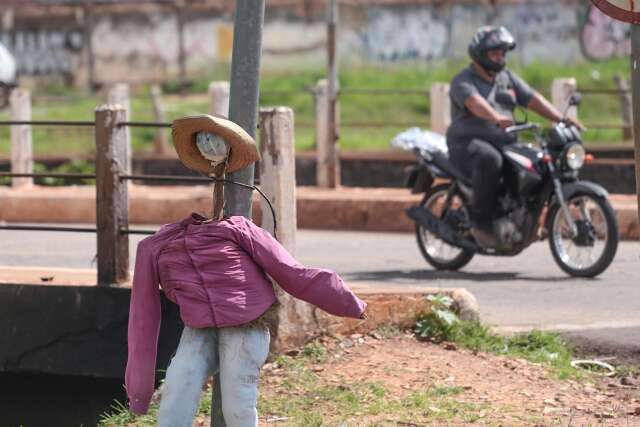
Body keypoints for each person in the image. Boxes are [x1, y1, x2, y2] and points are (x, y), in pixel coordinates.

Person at [125, 114, 367, 427]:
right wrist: (139, 393)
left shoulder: (238, 229)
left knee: (239, 406)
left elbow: (291, 272)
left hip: (246, 324)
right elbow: (142, 320)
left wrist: (349, 303)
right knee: (176, 392)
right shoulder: (155, 247)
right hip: (198, 328)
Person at [446, 25, 582, 249]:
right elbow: (474, 103)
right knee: (490, 160)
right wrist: (496, 117)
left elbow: (532, 98)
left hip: (504, 141)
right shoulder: (463, 80)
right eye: (495, 53)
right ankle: (480, 223)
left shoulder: (505, 77)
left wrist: (560, 119)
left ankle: (519, 217)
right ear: (480, 55)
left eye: (503, 53)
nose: (500, 58)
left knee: (532, 166)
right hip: (465, 144)